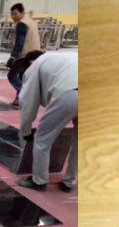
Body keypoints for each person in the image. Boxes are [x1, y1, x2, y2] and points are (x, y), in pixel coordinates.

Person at [17, 50, 78, 192]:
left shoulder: (34, 67)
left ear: (30, 63)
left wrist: (26, 131)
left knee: (42, 139)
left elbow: (28, 102)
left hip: (68, 93)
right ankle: (69, 182)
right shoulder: (59, 56)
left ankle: (39, 181)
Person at [6, 3, 41, 107]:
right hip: (36, 54)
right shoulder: (32, 22)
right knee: (22, 76)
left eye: (15, 13)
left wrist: (13, 57)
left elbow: (20, 42)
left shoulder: (22, 24)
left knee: (12, 75)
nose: (13, 16)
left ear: (22, 12)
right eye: (12, 14)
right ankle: (19, 101)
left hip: (26, 55)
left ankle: (23, 94)